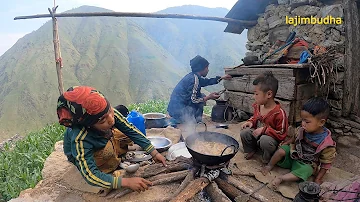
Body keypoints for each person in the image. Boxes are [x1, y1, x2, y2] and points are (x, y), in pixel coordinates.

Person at [58, 86, 166, 193]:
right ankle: (107, 167)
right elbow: (90, 174)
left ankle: (113, 153)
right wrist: (126, 182)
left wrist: (154, 153)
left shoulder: (106, 113)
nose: (111, 120)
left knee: (127, 135)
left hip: (104, 136)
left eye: (110, 111)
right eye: (102, 121)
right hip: (87, 153)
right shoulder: (81, 139)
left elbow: (130, 130)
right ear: (89, 125)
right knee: (107, 152)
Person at [261, 97, 336, 189]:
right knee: (282, 150)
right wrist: (287, 143)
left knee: (306, 170)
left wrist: (318, 178)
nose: (303, 124)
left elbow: (326, 164)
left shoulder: (327, 143)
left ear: (321, 122)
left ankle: (281, 178)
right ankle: (269, 165)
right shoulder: (302, 130)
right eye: (302, 120)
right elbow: (294, 138)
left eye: (307, 121)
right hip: (294, 155)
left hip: (307, 163)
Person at [167, 55, 232, 124]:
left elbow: (206, 82)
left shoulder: (193, 76)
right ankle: (194, 121)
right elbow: (193, 100)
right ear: (202, 68)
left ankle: (193, 119)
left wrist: (221, 78)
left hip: (175, 108)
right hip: (179, 111)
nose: (208, 70)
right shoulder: (194, 80)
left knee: (202, 96)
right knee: (201, 98)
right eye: (207, 68)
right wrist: (208, 97)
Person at [240, 71, 288, 164]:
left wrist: (264, 130)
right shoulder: (258, 106)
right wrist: (250, 122)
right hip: (258, 136)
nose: (254, 97)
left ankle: (267, 158)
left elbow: (281, 134)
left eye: (256, 94)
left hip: (270, 141)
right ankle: (252, 150)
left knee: (264, 140)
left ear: (269, 94)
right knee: (245, 132)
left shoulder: (279, 113)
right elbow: (255, 118)